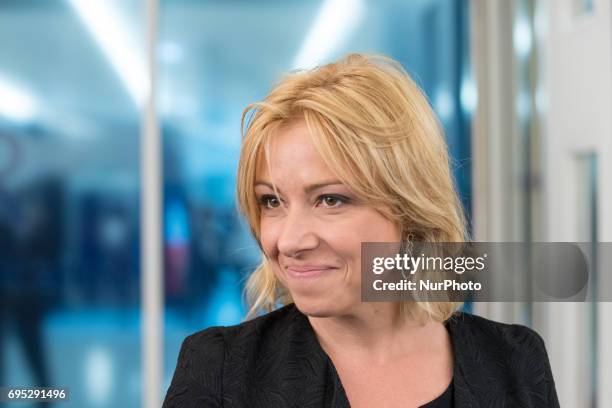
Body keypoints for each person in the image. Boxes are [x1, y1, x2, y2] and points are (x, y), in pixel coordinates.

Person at [163, 53, 559, 407]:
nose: (289, 241)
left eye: (330, 200)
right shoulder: (218, 371)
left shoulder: (515, 362)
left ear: (410, 205)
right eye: (272, 201)